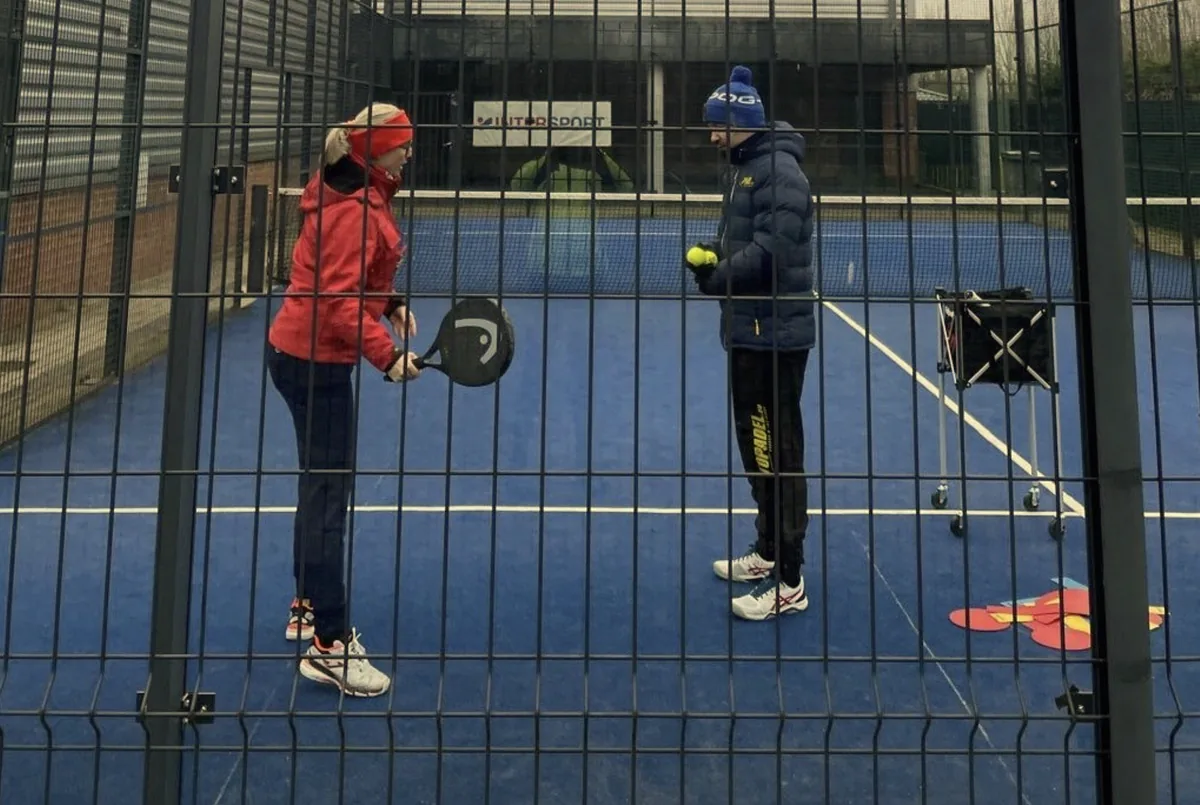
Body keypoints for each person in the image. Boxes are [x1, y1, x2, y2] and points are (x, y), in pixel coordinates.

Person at [266, 102, 421, 696]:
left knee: (319, 486)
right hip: (314, 363)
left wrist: (389, 301)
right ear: (376, 149)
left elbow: (352, 280)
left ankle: (307, 604)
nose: (409, 153)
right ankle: (329, 644)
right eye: (401, 144)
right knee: (329, 494)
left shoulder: (355, 189)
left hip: (302, 354)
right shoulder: (355, 208)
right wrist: (387, 356)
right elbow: (334, 300)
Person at [685, 66, 816, 622]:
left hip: (774, 336)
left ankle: (790, 580)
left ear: (742, 124)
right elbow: (744, 241)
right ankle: (767, 551)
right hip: (750, 330)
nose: (712, 135)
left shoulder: (779, 173)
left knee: (776, 453)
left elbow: (771, 254)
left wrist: (717, 277)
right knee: (757, 448)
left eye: (718, 125)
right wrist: (714, 258)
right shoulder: (745, 170)